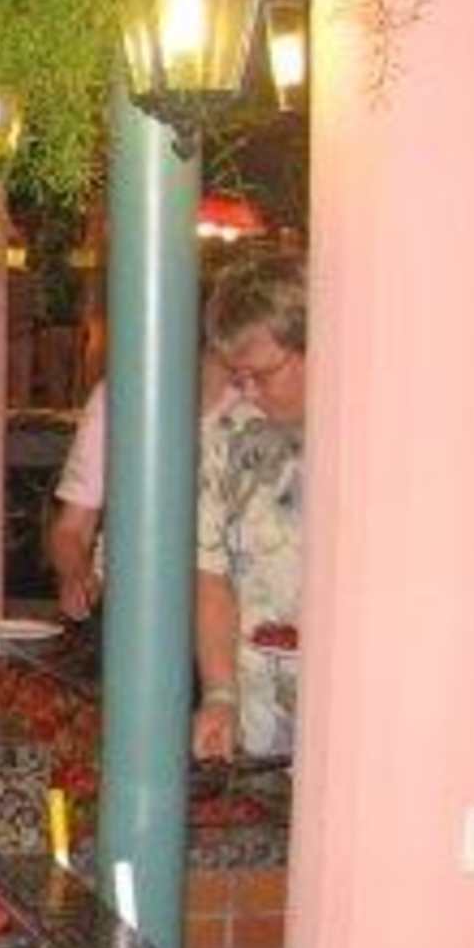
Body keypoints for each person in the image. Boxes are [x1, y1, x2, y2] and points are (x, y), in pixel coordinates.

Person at [190, 250, 306, 760]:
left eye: (262, 374)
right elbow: (210, 575)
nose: (249, 392)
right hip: (257, 714)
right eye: (238, 378)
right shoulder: (228, 439)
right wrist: (220, 695)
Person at [46, 351, 233, 621]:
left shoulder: (256, 399)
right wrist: (77, 576)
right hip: (132, 601)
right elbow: (72, 528)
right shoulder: (119, 395)